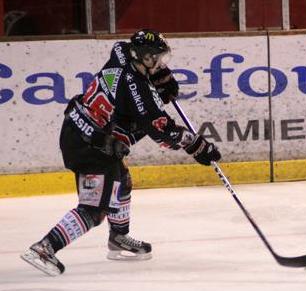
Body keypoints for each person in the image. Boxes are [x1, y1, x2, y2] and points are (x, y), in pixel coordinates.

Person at [21, 29, 221, 276]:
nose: (161, 63)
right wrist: (198, 146)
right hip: (92, 147)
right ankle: (45, 247)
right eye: (157, 59)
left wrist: (161, 76)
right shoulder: (139, 91)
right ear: (145, 57)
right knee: (94, 209)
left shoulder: (121, 52)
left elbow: (130, 60)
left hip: (79, 130)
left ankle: (118, 237)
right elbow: (162, 131)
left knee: (122, 182)